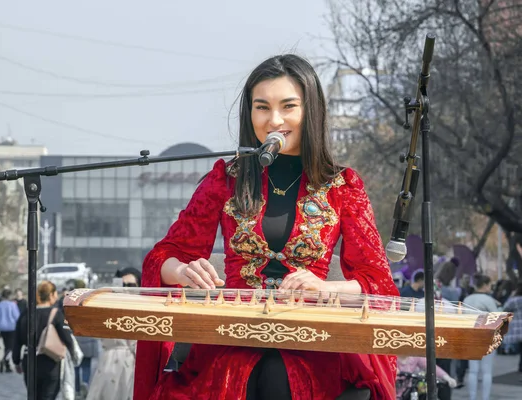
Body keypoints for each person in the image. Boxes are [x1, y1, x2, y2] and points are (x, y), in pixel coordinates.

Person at [134, 54, 399, 400]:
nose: (274, 120)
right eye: (262, 108)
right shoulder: (225, 180)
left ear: (310, 111)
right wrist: (182, 270)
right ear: (250, 113)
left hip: (312, 339)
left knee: (278, 371)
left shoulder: (343, 186)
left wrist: (326, 288)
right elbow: (162, 257)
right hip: (233, 336)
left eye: (288, 106)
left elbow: (377, 281)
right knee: (254, 370)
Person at [12, 280, 75, 400]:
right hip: (50, 361)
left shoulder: (26, 314)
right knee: (48, 395)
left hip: (29, 360)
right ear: (51, 295)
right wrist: (72, 355)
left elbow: (17, 339)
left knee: (34, 396)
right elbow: (67, 337)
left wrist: (16, 361)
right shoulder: (56, 314)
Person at [86, 269, 140, 400]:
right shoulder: (109, 306)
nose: (126, 289)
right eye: (123, 285)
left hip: (132, 366)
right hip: (108, 364)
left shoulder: (142, 309)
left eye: (131, 285)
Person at [463, 274, 500, 400]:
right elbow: (497, 318)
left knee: (473, 370)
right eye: (489, 285)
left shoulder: (467, 299)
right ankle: (485, 398)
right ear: (485, 285)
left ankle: (472, 397)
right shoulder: (488, 300)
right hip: (486, 337)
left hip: (470, 336)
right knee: (486, 371)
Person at [0, 288, 20, 373]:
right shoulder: (12, 305)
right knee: (11, 347)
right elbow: (17, 317)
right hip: (12, 328)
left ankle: (7, 365)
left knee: (7, 346)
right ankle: (4, 360)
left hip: (2, 328)